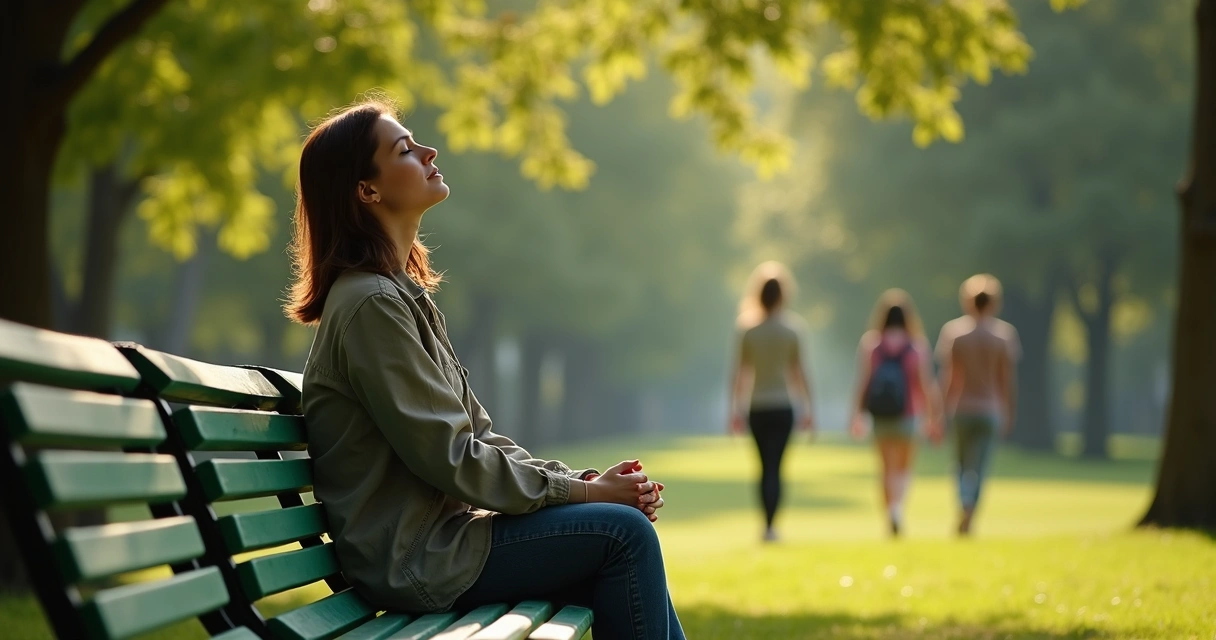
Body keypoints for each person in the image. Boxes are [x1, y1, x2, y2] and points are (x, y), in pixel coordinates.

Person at [287, 99, 684, 639]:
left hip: (445, 542)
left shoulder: (399, 295)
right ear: (367, 190)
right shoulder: (371, 305)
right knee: (622, 534)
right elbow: (451, 458)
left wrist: (579, 483)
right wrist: (587, 499)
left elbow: (478, 436)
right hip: (419, 560)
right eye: (404, 149)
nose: (428, 151)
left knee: (619, 535)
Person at [728, 261, 815, 542]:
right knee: (776, 468)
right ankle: (772, 525)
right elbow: (799, 372)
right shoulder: (792, 329)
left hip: (757, 407)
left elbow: (740, 373)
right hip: (783, 406)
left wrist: (734, 408)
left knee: (764, 467)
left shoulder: (748, 329)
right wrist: (810, 407)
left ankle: (765, 525)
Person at [849, 289, 942, 537]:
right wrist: (934, 418)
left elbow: (863, 382)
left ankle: (889, 511)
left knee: (885, 469)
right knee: (903, 468)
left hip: (880, 417)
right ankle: (897, 509)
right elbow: (926, 385)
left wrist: (856, 415)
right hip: (908, 415)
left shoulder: (872, 344)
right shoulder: (916, 347)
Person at [936, 274, 1021, 536]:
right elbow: (1006, 380)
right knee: (981, 467)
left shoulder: (955, 333)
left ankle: (964, 501)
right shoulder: (1004, 336)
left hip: (962, 408)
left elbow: (950, 378)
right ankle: (972, 511)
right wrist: (1008, 411)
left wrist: (939, 411)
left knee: (960, 466)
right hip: (990, 409)